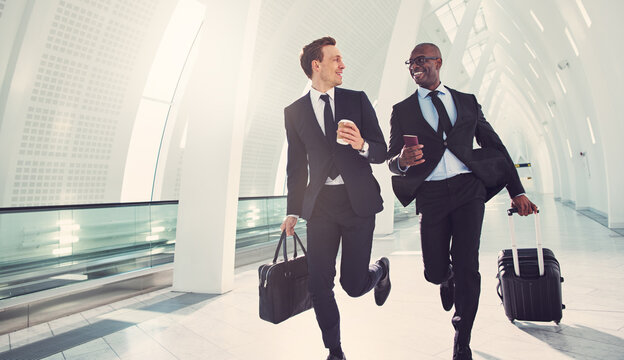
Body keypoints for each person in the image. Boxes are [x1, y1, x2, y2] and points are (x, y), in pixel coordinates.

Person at [387, 42, 537, 360]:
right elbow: (390, 159)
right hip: (431, 196)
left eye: (420, 60)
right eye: (409, 62)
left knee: (468, 264)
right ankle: (446, 277)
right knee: (434, 271)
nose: (414, 65)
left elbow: (494, 145)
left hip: (470, 190)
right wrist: (401, 160)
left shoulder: (467, 102)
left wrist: (517, 190)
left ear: (438, 62)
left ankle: (462, 338)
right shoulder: (402, 110)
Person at [280, 36, 390, 360]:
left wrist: (362, 145)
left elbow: (382, 151)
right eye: (336, 59)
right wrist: (293, 210)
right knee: (319, 285)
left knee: (354, 286)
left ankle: (380, 271)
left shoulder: (357, 100)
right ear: (317, 65)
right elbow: (296, 166)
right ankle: (335, 350)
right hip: (321, 208)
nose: (343, 65)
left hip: (358, 204)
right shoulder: (294, 112)